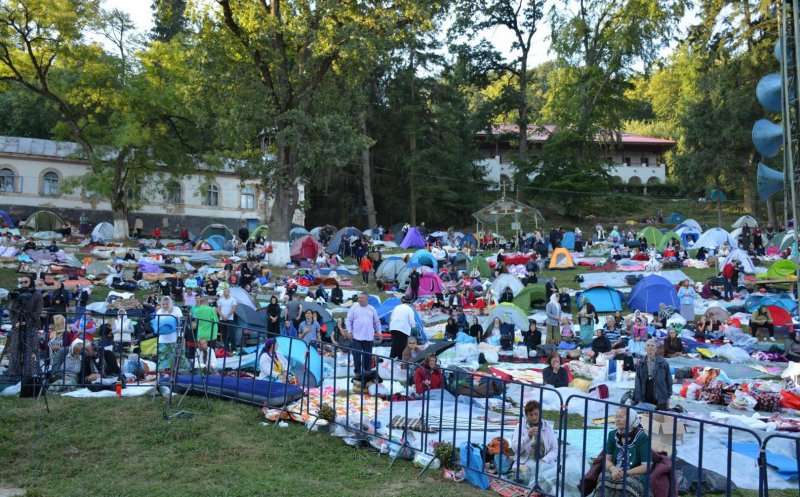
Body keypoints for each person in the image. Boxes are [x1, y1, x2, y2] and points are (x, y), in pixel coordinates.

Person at [598, 408, 651, 497]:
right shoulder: (612, 434)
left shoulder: (642, 437)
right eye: (616, 417)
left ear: (631, 419)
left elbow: (646, 466)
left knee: (627, 485)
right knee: (603, 479)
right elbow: (607, 459)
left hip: (634, 473)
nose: (617, 420)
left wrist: (627, 472)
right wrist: (613, 469)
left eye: (621, 417)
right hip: (616, 470)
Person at [4, 274, 44, 381]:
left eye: (25, 282)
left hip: (31, 326)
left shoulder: (37, 295)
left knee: (29, 350)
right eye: (21, 282)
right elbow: (11, 310)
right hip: (17, 326)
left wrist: (27, 323)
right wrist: (15, 322)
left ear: (30, 282)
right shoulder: (17, 294)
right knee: (14, 349)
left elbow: (37, 312)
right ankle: (13, 374)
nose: (23, 284)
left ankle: (29, 375)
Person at [345, 292, 381, 382]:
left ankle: (367, 374)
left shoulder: (372, 309)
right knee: (356, 356)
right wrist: (349, 331)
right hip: (357, 337)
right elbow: (348, 320)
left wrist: (379, 332)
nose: (359, 299)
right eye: (359, 298)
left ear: (367, 299)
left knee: (368, 357)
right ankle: (357, 373)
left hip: (368, 337)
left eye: (362, 298)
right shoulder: (354, 308)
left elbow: (376, 322)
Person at [511, 400, 558, 467]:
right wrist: (528, 437)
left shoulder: (547, 427)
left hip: (543, 462)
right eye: (531, 415)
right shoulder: (520, 426)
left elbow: (554, 449)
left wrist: (545, 460)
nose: (534, 417)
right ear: (526, 415)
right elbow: (515, 449)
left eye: (536, 414)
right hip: (524, 462)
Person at [633, 340, 672, 410]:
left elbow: (669, 380)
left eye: (652, 345)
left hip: (660, 396)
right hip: (645, 394)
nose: (650, 347)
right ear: (645, 348)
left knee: (659, 417)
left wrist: (668, 397)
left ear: (656, 349)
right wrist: (639, 398)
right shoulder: (641, 363)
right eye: (648, 345)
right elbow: (637, 382)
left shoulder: (663, 363)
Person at [155, 296, 184, 372]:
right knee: (162, 358)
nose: (165, 306)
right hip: (163, 339)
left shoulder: (176, 309)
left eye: (166, 304)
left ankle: (173, 375)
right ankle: (162, 375)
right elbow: (156, 323)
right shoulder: (159, 312)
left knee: (174, 358)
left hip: (175, 337)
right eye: (163, 304)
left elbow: (181, 320)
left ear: (170, 303)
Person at [389, 294, 416, 359]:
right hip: (403, 329)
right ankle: (401, 359)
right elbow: (412, 321)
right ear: (410, 302)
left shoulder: (397, 307)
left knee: (395, 343)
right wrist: (413, 326)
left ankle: (392, 357)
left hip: (393, 327)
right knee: (402, 345)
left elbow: (391, 318)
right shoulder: (409, 309)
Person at [216, 286, 238, 351]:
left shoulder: (233, 299)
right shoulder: (220, 300)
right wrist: (222, 316)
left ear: (229, 292)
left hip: (230, 319)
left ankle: (234, 349)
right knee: (224, 334)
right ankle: (226, 349)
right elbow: (218, 309)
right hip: (222, 318)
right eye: (224, 291)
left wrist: (227, 316)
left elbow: (234, 309)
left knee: (232, 334)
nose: (225, 292)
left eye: (226, 291)